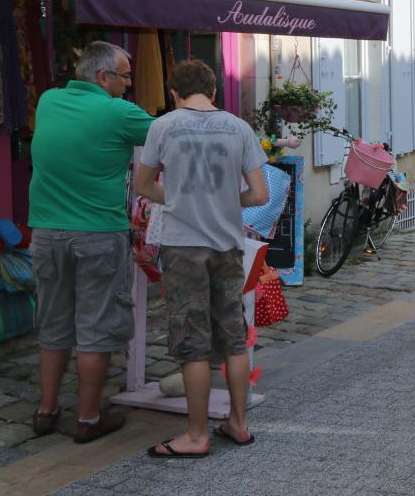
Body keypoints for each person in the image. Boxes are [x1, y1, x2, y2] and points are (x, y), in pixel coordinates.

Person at [135, 60, 269, 458]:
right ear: (214, 92)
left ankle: (196, 435)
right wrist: (227, 203)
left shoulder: (164, 126)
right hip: (226, 244)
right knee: (232, 336)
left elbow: (144, 184)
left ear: (174, 93)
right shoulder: (239, 127)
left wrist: (176, 201)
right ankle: (239, 424)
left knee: (192, 342)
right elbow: (260, 194)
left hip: (183, 246)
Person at [29, 42, 154, 443]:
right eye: (125, 76)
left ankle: (46, 411)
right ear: (103, 77)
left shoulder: (48, 101)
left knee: (53, 322)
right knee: (96, 325)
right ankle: (88, 418)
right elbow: (169, 136)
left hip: (46, 232)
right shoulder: (119, 112)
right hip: (98, 231)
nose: (130, 84)